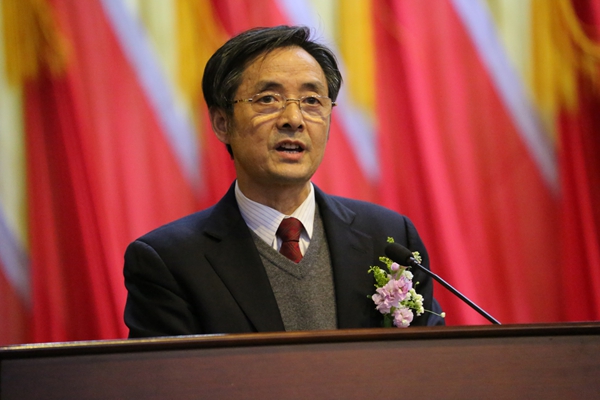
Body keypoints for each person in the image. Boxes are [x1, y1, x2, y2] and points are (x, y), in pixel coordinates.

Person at [123, 25, 443, 338]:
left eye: (312, 101)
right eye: (268, 99)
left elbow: (426, 360)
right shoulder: (170, 261)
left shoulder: (388, 238)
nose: (293, 119)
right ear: (222, 123)